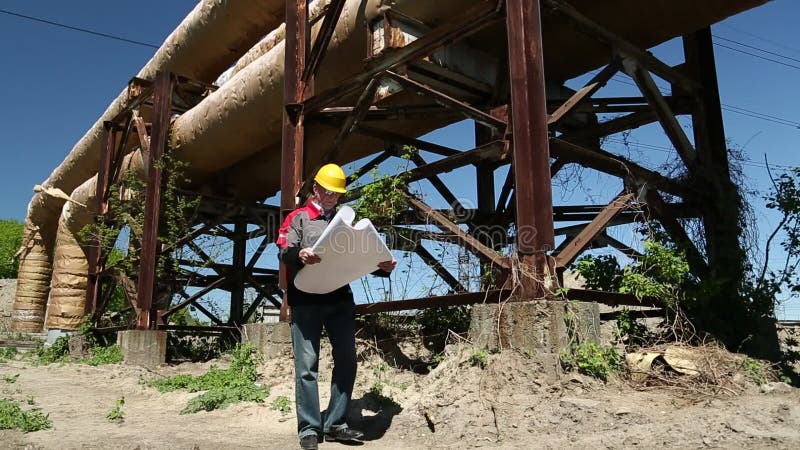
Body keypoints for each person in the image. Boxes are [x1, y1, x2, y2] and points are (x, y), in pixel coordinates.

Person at [276, 163, 397, 450]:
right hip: (306, 301)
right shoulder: (298, 218)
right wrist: (299, 254)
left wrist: (383, 267)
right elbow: (283, 250)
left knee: (347, 360)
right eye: (328, 193)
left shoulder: (346, 223)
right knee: (307, 366)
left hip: (340, 300)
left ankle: (337, 424)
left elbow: (357, 260)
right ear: (315, 188)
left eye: (337, 195)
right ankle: (309, 429)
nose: (332, 199)